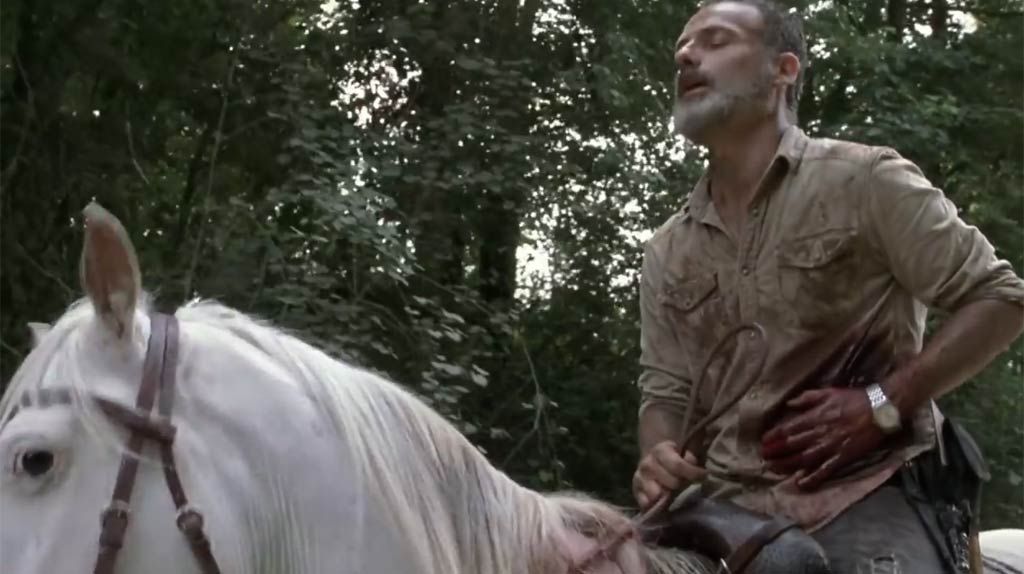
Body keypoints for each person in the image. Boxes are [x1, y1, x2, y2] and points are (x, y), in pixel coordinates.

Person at [630, 0, 1024, 572]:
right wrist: (658, 458)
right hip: (723, 515)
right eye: (683, 48)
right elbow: (665, 394)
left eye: (716, 41)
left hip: (868, 490)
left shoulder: (867, 181)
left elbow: (1001, 298)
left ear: (783, 70)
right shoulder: (667, 249)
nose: (687, 55)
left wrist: (882, 403)